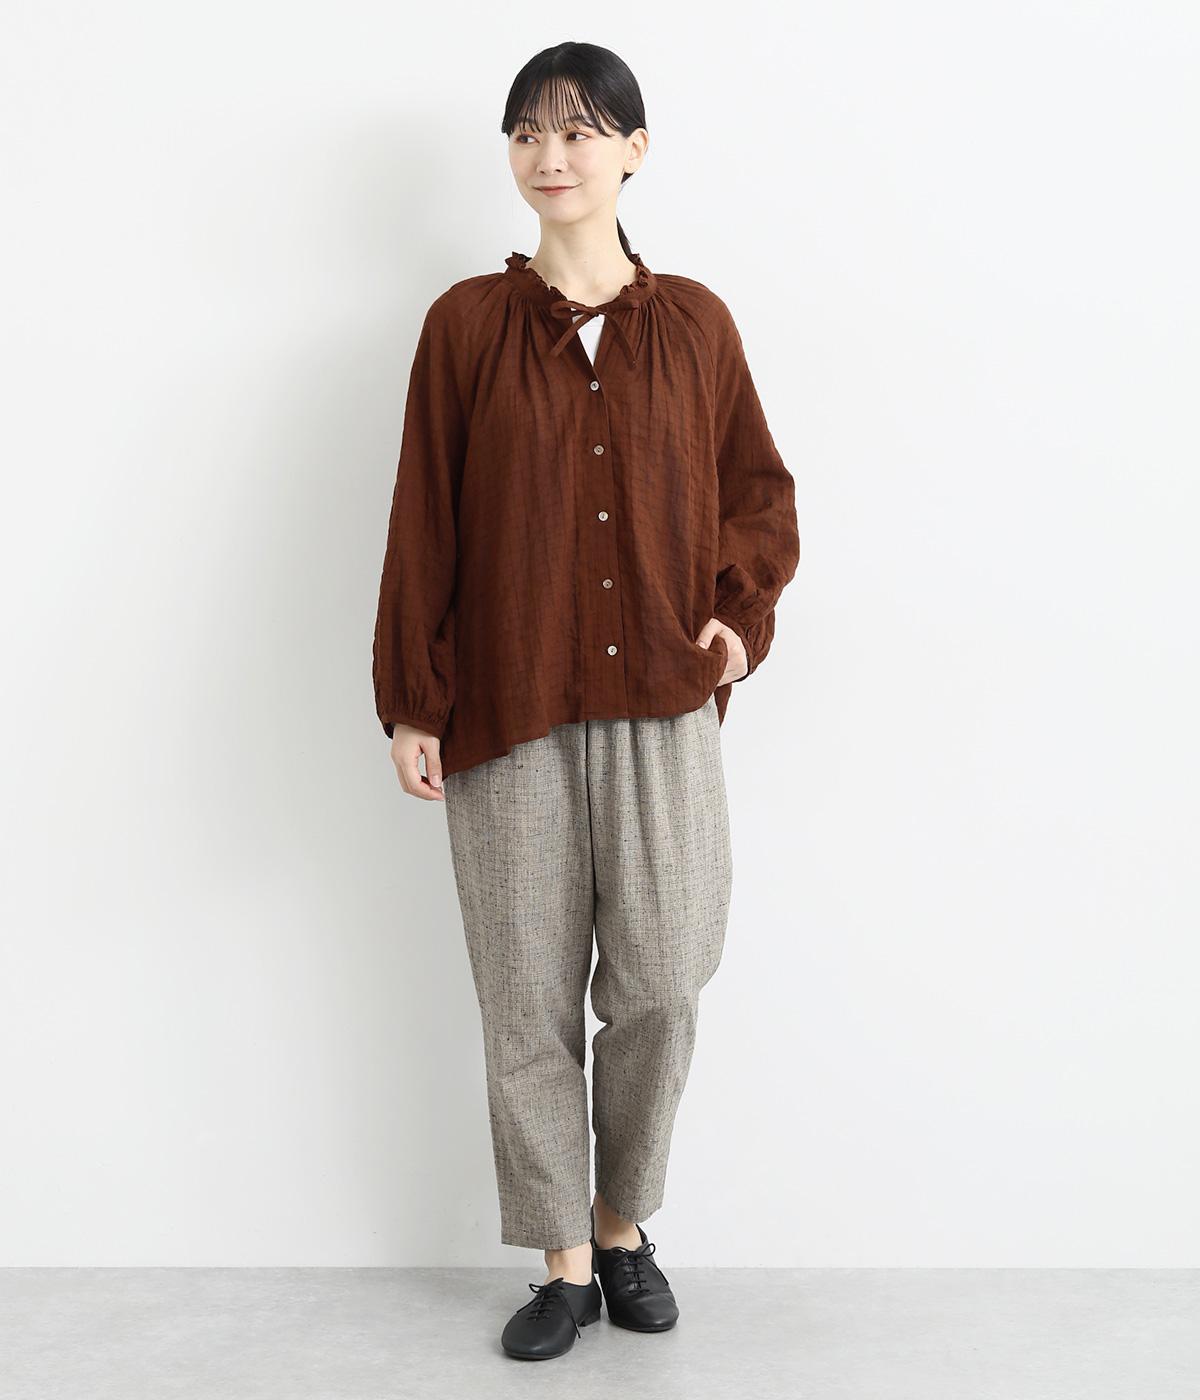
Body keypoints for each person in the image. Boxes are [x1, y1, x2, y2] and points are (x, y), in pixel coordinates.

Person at [372, 42, 800, 1362]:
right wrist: (413, 700)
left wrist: (737, 626)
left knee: (666, 977)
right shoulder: (464, 328)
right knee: (526, 995)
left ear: (633, 149)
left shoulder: (697, 326)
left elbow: (757, 494)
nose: (550, 156)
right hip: (506, 708)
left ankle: (623, 1224)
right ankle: (564, 1262)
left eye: (578, 129)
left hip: (664, 704)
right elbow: (425, 520)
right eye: (528, 132)